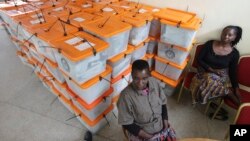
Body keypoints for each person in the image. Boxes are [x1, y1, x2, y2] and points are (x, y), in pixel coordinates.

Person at [190, 25, 242, 118]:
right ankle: (229, 94)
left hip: (222, 75)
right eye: (224, 33)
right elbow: (199, 59)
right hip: (205, 70)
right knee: (209, 78)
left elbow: (233, 72)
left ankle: (236, 100)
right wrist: (211, 70)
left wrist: (236, 88)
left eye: (230, 35)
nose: (226, 36)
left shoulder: (234, 54)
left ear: (234, 37)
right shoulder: (210, 44)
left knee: (210, 80)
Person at [117, 60, 176, 141]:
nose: (140, 83)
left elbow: (163, 103)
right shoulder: (126, 96)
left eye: (144, 78)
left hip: (161, 126)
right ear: (132, 75)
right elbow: (127, 123)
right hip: (144, 134)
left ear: (149, 75)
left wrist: (165, 122)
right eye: (136, 78)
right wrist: (150, 137)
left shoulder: (154, 82)